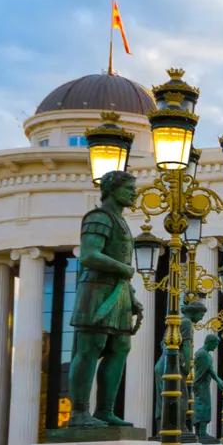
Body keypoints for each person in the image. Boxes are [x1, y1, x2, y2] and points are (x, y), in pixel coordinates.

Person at [66, 172, 140, 427]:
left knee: (121, 348)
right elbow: (89, 255)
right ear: (111, 189)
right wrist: (124, 270)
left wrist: (132, 296)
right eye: (129, 188)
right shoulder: (99, 217)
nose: (135, 192)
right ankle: (79, 413)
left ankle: (104, 411)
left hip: (118, 292)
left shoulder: (121, 222)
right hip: (95, 291)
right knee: (90, 349)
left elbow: (122, 266)